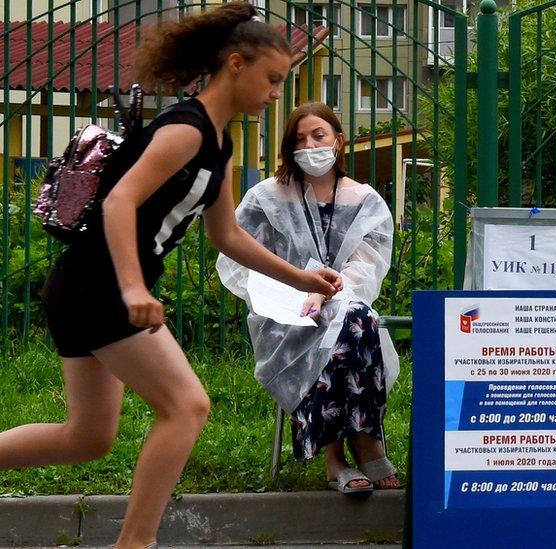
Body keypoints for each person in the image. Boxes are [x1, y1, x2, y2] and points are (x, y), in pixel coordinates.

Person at [0, 3, 343, 548]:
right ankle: (137, 543)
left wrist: (300, 278)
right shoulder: (186, 129)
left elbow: (226, 235)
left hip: (90, 285)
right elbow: (119, 202)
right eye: (273, 78)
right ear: (235, 64)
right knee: (187, 405)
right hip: (101, 284)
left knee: (87, 437)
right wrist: (134, 287)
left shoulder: (220, 141)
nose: (277, 93)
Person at [216, 102, 400, 496]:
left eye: (318, 135)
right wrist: (295, 291)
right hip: (286, 315)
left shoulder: (366, 201)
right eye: (299, 138)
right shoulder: (267, 197)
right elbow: (240, 261)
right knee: (356, 323)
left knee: (351, 319)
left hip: (346, 303)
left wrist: (328, 294)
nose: (309, 144)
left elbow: (368, 266)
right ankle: (364, 444)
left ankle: (337, 461)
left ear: (339, 141)